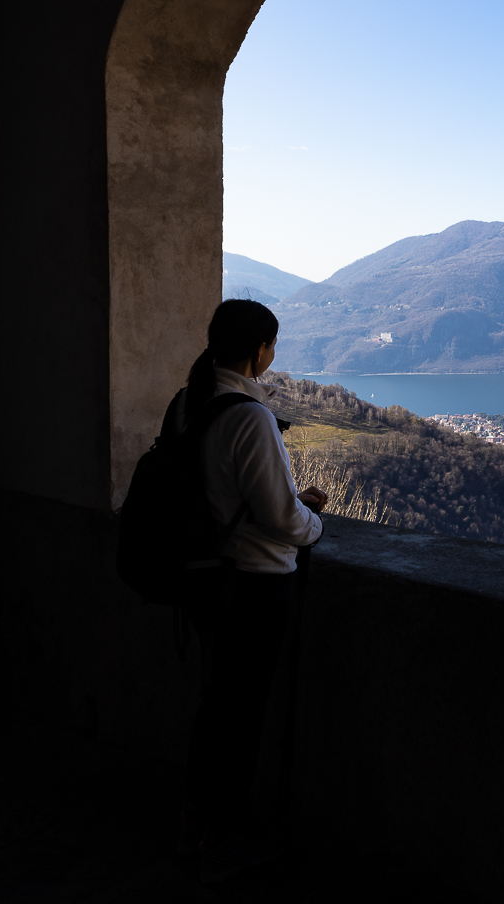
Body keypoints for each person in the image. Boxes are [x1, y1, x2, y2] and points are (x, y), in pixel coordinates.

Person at [169, 299, 327, 883]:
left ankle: (195, 820)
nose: (274, 353)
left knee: (217, 705)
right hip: (254, 586)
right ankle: (223, 838)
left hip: (204, 576)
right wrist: (313, 521)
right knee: (242, 714)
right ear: (260, 350)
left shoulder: (187, 402)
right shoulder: (250, 416)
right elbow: (282, 520)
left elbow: (221, 493)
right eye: (273, 344)